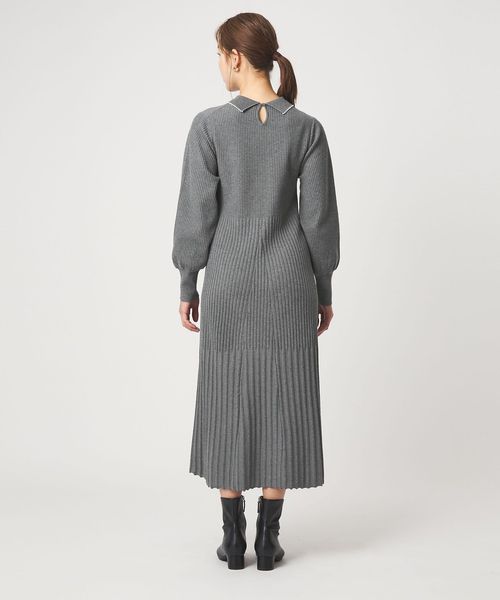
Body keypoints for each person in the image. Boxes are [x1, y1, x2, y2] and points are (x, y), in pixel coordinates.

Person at [172, 12, 340, 571]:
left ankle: (233, 538)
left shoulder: (209, 126)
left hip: (229, 282)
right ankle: (269, 540)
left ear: (236, 58)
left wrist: (188, 279)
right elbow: (319, 222)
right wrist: (323, 288)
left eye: (220, 55)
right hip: (289, 284)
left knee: (227, 395)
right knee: (284, 397)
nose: (219, 66)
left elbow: (196, 214)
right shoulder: (306, 129)